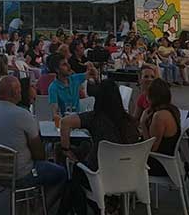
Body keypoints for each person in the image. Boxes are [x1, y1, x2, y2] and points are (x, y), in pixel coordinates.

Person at [57, 79, 139, 215]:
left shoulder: (95, 118)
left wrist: (66, 150)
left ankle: (83, 208)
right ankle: (105, 205)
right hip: (127, 176)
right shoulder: (130, 121)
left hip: (99, 177)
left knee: (74, 176)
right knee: (84, 150)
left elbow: (64, 123)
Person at [0, 76, 67, 193]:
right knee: (61, 173)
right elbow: (39, 155)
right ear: (16, 92)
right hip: (21, 176)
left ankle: (29, 204)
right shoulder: (23, 115)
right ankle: (42, 209)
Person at [140, 78, 181, 177]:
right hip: (167, 160)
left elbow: (152, 148)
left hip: (159, 164)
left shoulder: (159, 116)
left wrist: (143, 124)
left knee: (124, 161)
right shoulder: (172, 109)